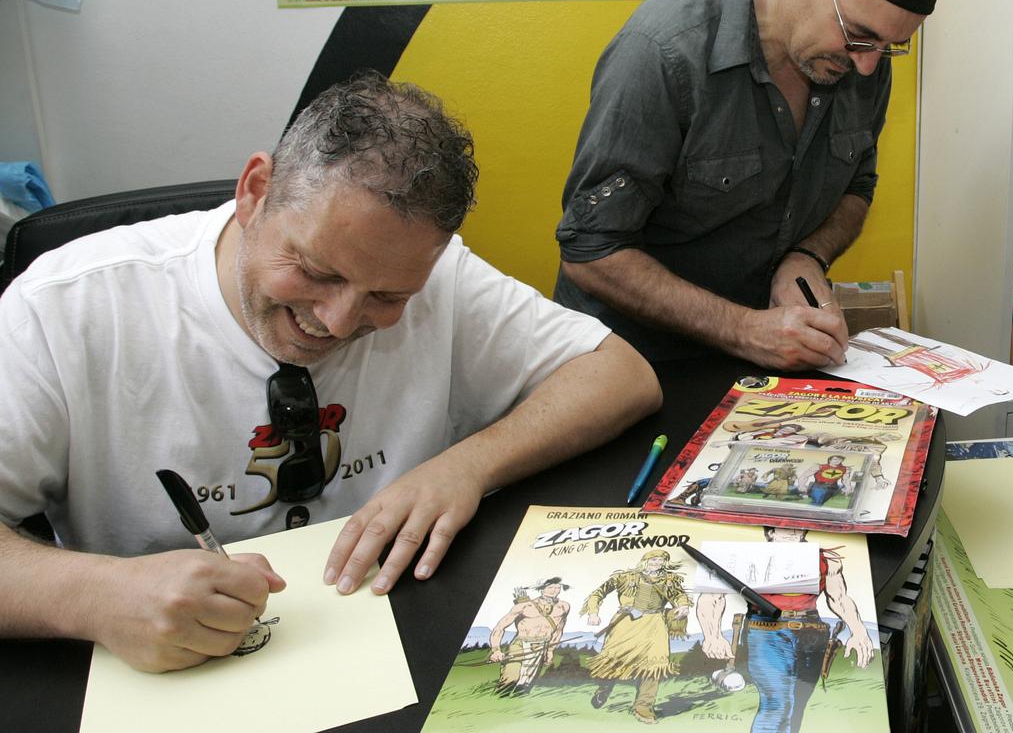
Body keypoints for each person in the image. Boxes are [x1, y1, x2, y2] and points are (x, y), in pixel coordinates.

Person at [0, 73, 660, 673]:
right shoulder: (64, 308)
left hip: (389, 646)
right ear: (255, 192)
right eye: (316, 272)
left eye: (387, 296)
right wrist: (95, 595)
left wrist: (468, 465)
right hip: (152, 674)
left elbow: (619, 375)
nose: (338, 321)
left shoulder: (441, 279)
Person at [554, 0, 942, 369]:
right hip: (630, 365)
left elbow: (857, 187)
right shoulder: (664, 52)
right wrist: (743, 330)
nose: (868, 66)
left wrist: (807, 256)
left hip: (763, 362)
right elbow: (591, 250)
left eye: (889, 46)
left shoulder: (861, 58)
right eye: (858, 36)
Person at [696, 526, 874, 733]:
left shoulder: (824, 559)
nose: (792, 531)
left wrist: (859, 631)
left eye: (797, 526)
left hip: (812, 633)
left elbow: (839, 597)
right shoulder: (746, 554)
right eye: (783, 527)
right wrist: (712, 635)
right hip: (767, 631)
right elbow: (712, 596)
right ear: (770, 532)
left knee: (797, 705)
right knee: (777, 704)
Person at [583, 549, 692, 724]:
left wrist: (683, 606)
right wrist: (593, 613)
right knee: (612, 663)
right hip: (625, 623)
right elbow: (598, 593)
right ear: (645, 561)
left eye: (661, 560)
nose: (657, 563)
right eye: (653, 559)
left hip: (655, 624)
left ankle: (644, 706)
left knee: (654, 666)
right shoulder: (625, 577)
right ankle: (604, 688)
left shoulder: (670, 580)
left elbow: (679, 595)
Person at [488, 577, 572, 696]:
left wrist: (550, 651)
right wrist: (496, 650)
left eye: (557, 587)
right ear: (541, 589)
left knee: (525, 685)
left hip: (541, 647)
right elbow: (499, 627)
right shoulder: (524, 606)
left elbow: (558, 630)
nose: (554, 590)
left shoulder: (564, 606)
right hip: (520, 644)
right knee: (509, 680)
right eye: (550, 587)